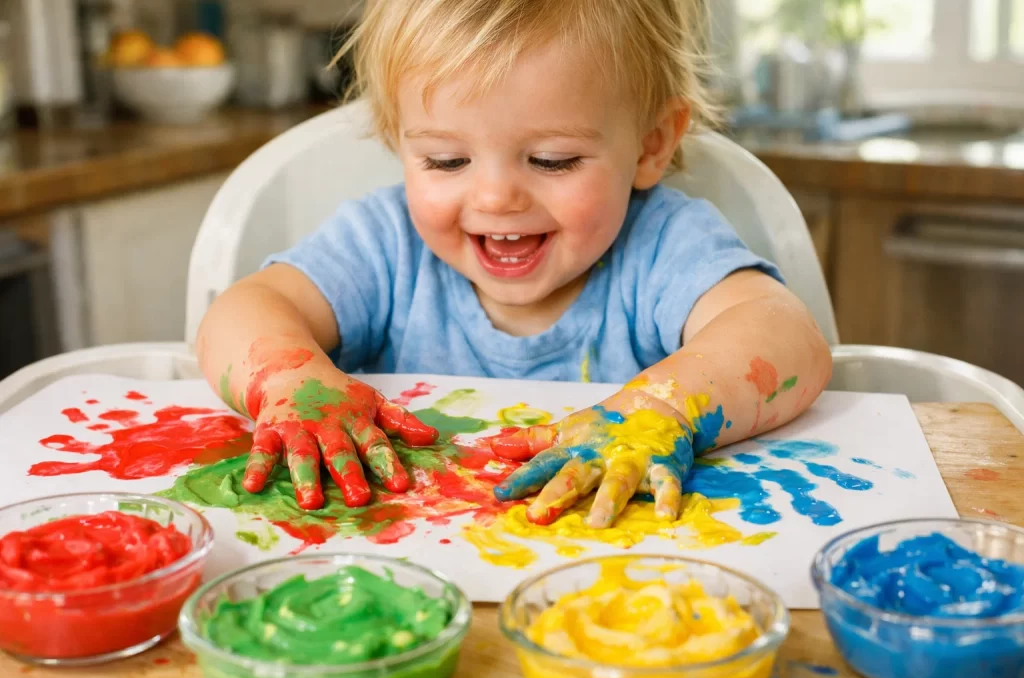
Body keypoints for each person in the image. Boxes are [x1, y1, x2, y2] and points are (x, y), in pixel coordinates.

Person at [196, 0, 833, 530]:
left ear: (651, 145)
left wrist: (662, 409)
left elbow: (784, 335)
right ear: (399, 141)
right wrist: (290, 381)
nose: (496, 197)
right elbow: (242, 310)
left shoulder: (664, 244)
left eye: (553, 160)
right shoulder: (384, 245)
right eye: (446, 161)